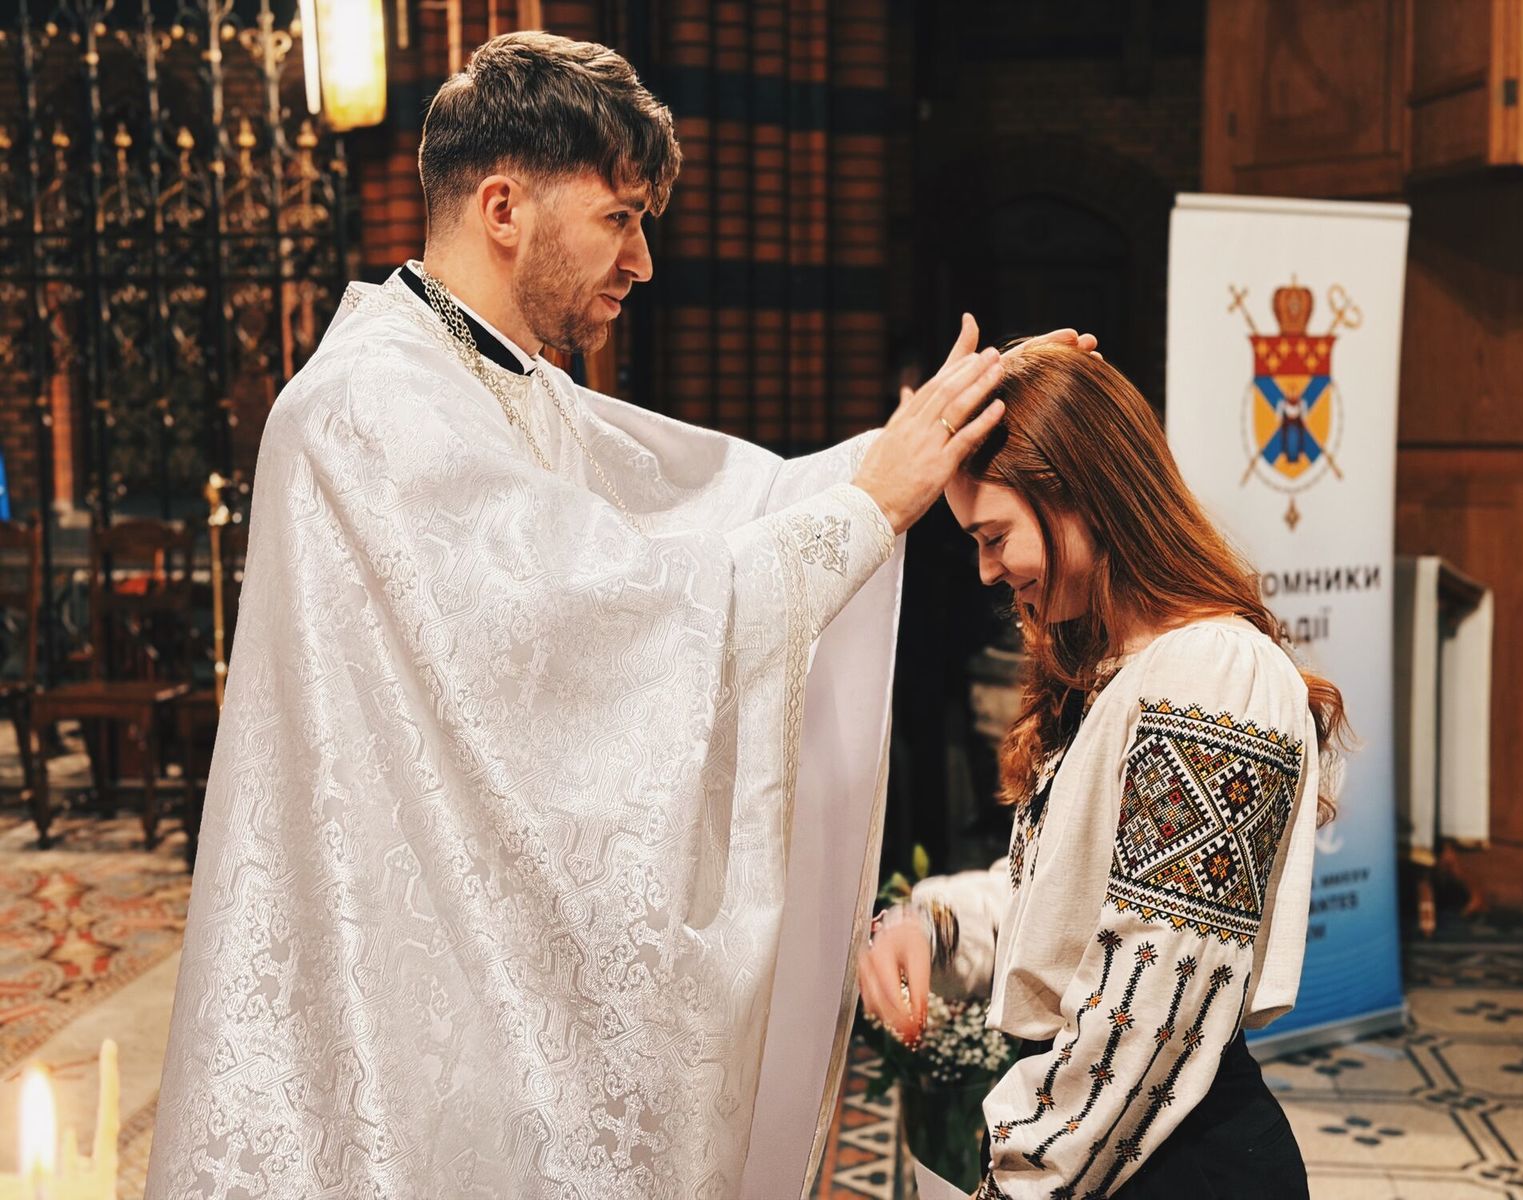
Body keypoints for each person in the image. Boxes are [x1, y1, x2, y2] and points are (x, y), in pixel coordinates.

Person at [144, 30, 1070, 1199]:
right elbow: (602, 618)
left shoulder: (504, 381)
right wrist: (870, 506)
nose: (642, 261)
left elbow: (707, 509)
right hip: (399, 989)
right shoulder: (367, 407)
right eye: (620, 218)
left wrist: (907, 448)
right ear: (503, 206)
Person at [859, 343, 1345, 1199]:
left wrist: (1021, 1178)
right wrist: (933, 925)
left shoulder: (1214, 676)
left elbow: (1151, 1006)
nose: (986, 569)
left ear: (1079, 493)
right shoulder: (1121, 670)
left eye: (994, 537)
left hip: (1166, 1164)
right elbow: (1062, 901)